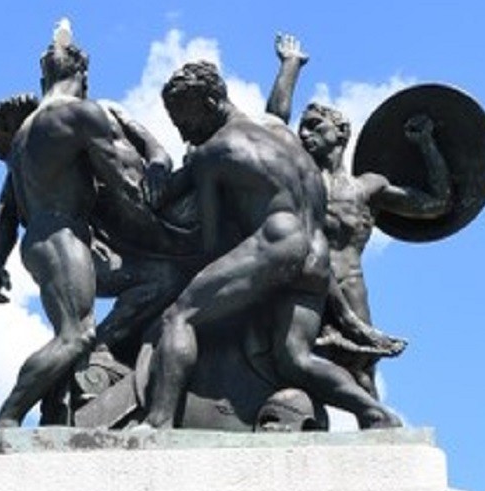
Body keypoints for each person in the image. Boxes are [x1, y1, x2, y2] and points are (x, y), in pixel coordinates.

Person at [143, 60, 400, 430]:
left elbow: (212, 243)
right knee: (293, 358)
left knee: (180, 316)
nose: (184, 132)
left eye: (185, 120)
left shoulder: (212, 153)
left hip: (276, 243)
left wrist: (156, 165)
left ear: (212, 103)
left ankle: (157, 422)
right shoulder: (282, 132)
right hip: (317, 256)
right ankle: (374, 412)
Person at [0, 24, 194, 428]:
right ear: (83, 76)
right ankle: (8, 418)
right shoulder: (81, 115)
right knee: (74, 335)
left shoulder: (24, 134)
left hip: (49, 238)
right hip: (61, 235)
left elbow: (4, 210)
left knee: (161, 278)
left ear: (43, 76)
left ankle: (85, 367)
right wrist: (171, 212)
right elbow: (125, 183)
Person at [267, 33, 453, 398]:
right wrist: (290, 66)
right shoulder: (299, 175)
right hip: (300, 285)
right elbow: (274, 122)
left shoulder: (368, 187)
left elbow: (437, 204)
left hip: (349, 286)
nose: (305, 134)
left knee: (362, 373)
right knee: (287, 367)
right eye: (303, 127)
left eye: (315, 126)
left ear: (341, 133)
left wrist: (426, 143)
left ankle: (378, 433)